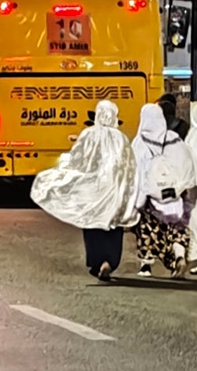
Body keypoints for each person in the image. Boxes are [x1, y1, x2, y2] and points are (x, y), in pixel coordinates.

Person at [33, 99, 138, 278]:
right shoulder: (121, 138)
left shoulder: (88, 134)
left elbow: (78, 160)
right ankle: (110, 261)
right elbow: (129, 166)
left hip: (92, 189)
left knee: (92, 225)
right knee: (113, 226)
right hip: (114, 190)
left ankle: (97, 262)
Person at [129, 101, 194, 277]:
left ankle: (145, 265)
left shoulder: (140, 141)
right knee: (177, 228)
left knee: (148, 231)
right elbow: (185, 164)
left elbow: (136, 170)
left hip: (151, 197)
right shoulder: (173, 137)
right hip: (174, 194)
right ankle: (179, 256)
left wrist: (137, 199)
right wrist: (180, 187)